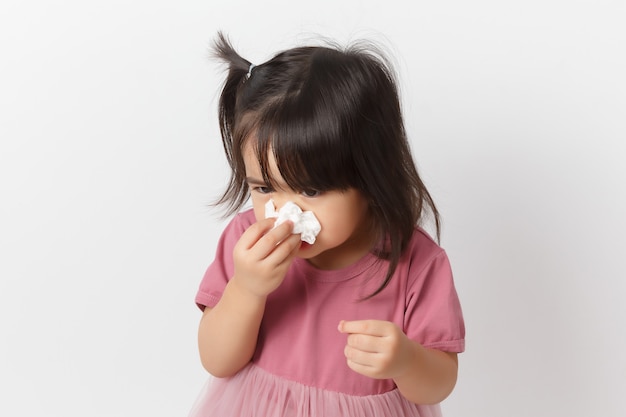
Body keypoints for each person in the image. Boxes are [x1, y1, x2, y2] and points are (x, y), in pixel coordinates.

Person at [190, 32, 465, 417]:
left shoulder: (416, 262)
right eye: (265, 188)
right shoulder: (246, 241)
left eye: (312, 190)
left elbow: (439, 383)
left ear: (371, 180)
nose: (284, 212)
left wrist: (406, 360)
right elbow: (217, 361)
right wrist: (247, 289)